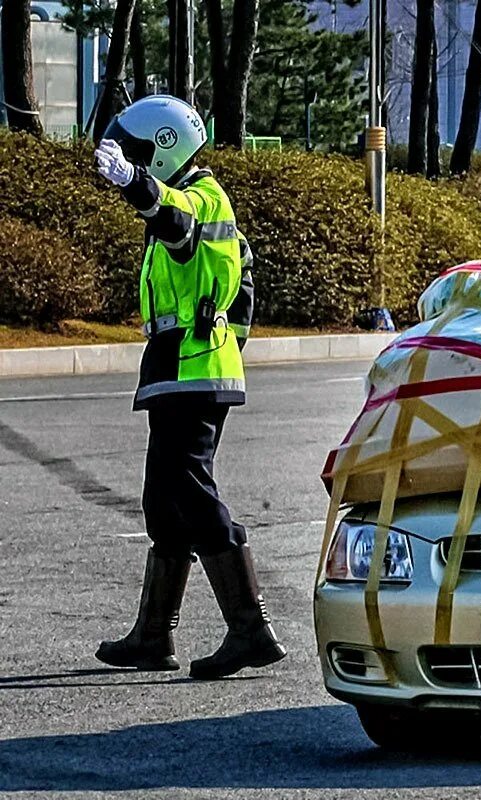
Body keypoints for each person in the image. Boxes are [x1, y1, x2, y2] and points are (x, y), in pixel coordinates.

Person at [92, 95, 284, 679]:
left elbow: (176, 224)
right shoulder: (204, 201)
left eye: (141, 151)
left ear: (166, 147)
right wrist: (228, 343)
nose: (133, 160)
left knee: (191, 490)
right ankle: (154, 638)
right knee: (164, 499)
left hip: (192, 368)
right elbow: (244, 291)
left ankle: (251, 629)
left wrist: (133, 184)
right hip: (184, 367)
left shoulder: (200, 197)